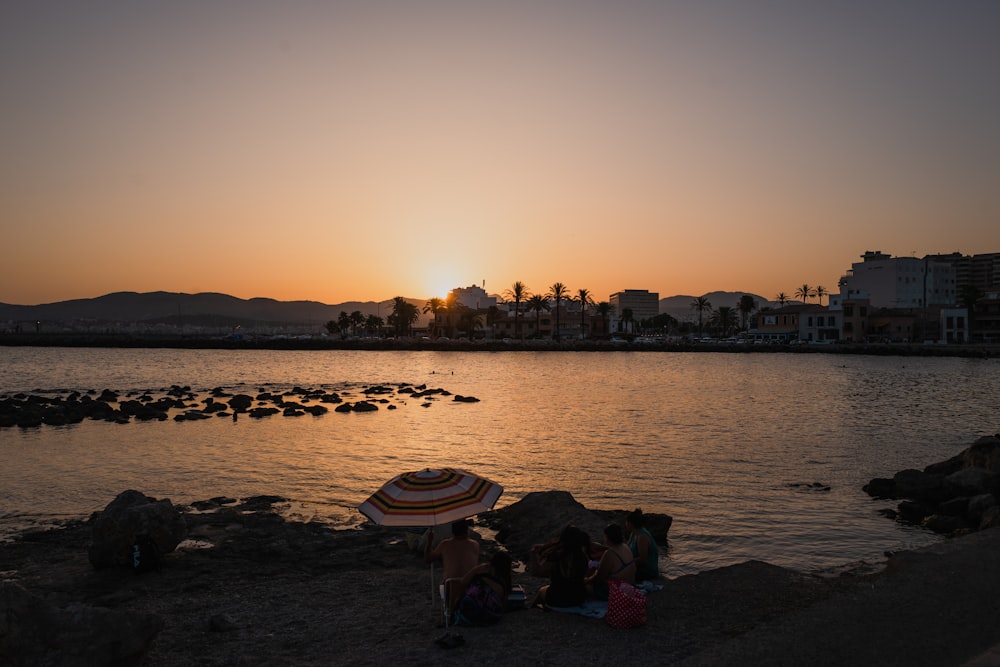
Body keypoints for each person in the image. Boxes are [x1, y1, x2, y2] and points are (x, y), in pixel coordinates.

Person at [529, 525, 590, 608]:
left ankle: (532, 609)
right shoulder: (583, 556)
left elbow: (537, 572)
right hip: (579, 598)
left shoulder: (557, 556)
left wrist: (533, 554)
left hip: (557, 598)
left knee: (542, 590)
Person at [425, 519, 481, 609]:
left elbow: (428, 559)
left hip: (450, 589)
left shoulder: (445, 544)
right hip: (470, 588)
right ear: (466, 530)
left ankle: (448, 610)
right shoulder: (475, 545)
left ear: (452, 531)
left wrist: (429, 542)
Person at [452, 551, 513, 626]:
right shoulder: (504, 582)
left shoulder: (482, 569)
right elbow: (503, 605)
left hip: (467, 613)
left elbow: (463, 581)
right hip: (490, 618)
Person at [585, 523, 635, 600]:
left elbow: (599, 576)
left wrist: (587, 580)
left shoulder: (610, 553)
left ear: (607, 537)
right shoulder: (625, 546)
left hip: (617, 590)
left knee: (585, 587)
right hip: (629, 585)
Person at [626, 508, 659, 581]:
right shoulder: (634, 533)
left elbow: (642, 559)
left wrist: (627, 563)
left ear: (630, 523)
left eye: (626, 522)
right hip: (635, 565)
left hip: (646, 570)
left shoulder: (642, 537)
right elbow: (626, 548)